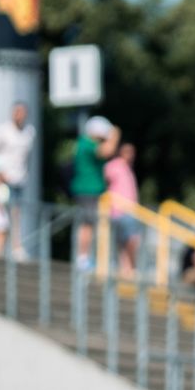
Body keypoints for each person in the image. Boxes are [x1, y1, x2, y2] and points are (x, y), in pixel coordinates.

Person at [0, 102, 33, 256]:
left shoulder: (29, 132)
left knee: (15, 214)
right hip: (1, 181)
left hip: (18, 179)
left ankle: (15, 247)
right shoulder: (2, 131)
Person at [70, 117, 119, 270]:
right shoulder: (86, 143)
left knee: (92, 224)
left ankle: (90, 257)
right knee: (88, 224)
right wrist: (115, 135)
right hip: (88, 191)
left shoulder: (86, 143)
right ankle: (83, 258)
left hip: (92, 191)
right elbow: (107, 151)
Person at [104, 142, 142, 278]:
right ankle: (131, 267)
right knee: (131, 240)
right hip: (120, 210)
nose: (131, 155)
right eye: (128, 151)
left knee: (125, 241)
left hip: (128, 210)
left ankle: (126, 269)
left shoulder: (127, 168)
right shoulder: (115, 165)